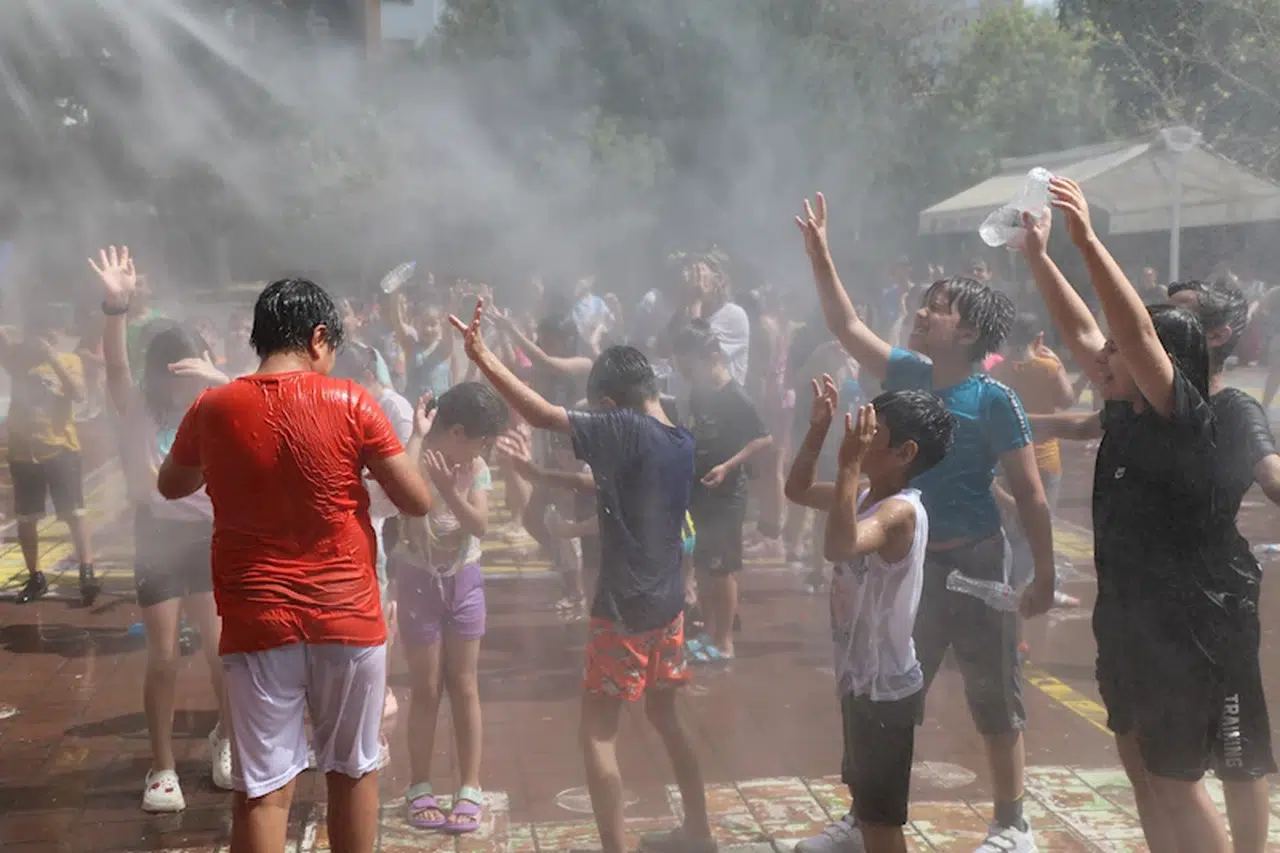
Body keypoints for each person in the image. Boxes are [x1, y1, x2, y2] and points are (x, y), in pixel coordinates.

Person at [797, 192, 1055, 853]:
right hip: (903, 563)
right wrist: (820, 250)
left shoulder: (995, 400)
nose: (922, 311)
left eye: (937, 308)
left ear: (966, 332)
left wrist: (1043, 575)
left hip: (974, 562)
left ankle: (1011, 823)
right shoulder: (908, 373)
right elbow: (846, 323)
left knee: (995, 693)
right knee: (887, 690)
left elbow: (1030, 495)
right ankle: (866, 815)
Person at [157, 277, 432, 853]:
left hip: (256, 621)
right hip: (348, 618)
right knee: (352, 772)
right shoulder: (353, 402)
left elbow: (172, 483)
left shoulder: (213, 406)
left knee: (263, 787)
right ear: (318, 337)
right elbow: (416, 500)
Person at [1018, 177, 1235, 853]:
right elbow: (1085, 327)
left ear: (1160, 364)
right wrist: (1038, 258)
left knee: (1175, 779)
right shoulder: (1124, 409)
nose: (1100, 358)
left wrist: (1085, 238)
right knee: (1140, 773)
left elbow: (1132, 330)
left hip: (1179, 631)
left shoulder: (1183, 421)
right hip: (1126, 621)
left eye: (1116, 354)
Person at [449, 298, 714, 853]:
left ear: (612, 404)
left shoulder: (627, 428)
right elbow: (612, 489)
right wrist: (540, 472)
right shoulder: (678, 439)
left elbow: (546, 414)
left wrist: (482, 357)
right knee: (668, 715)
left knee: (597, 729)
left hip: (624, 608)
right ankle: (699, 831)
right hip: (668, 606)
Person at [88, 246, 234, 811]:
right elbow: (117, 368)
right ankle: (163, 766)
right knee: (165, 656)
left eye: (190, 370)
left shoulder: (216, 402)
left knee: (222, 649)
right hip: (156, 538)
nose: (182, 385)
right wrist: (115, 307)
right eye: (173, 373)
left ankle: (229, 738)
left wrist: (217, 378)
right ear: (157, 374)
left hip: (208, 538)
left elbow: (267, 410)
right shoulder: (137, 407)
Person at [786, 379, 954, 853]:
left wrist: (846, 463)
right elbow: (796, 489)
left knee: (883, 826)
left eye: (870, 433)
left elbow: (838, 545)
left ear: (904, 453)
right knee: (865, 799)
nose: (856, 437)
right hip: (861, 677)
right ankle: (853, 829)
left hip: (886, 689)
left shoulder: (899, 512)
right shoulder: (861, 493)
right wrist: (818, 430)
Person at [393, 381, 508, 834]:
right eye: (483, 439)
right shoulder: (417, 455)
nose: (487, 449)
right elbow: (401, 489)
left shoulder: (474, 467)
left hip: (463, 582)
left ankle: (470, 786)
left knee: (464, 685)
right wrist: (419, 435)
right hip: (419, 580)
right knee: (425, 688)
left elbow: (479, 523)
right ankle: (419, 785)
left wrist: (450, 489)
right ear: (457, 432)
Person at [673, 319, 772, 661]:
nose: (688, 372)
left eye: (691, 365)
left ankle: (725, 641)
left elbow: (763, 438)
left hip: (727, 492)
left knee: (722, 568)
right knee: (702, 566)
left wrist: (729, 465)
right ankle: (711, 633)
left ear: (713, 356)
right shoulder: (699, 393)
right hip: (699, 488)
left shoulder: (735, 396)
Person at [0, 308, 97, 605]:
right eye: (36, 333)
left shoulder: (69, 361)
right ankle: (36, 576)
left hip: (61, 448)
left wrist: (53, 358)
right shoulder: (17, 360)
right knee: (27, 517)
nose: (41, 339)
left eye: (47, 333)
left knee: (74, 514)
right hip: (23, 450)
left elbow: (79, 393)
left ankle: (86, 571)